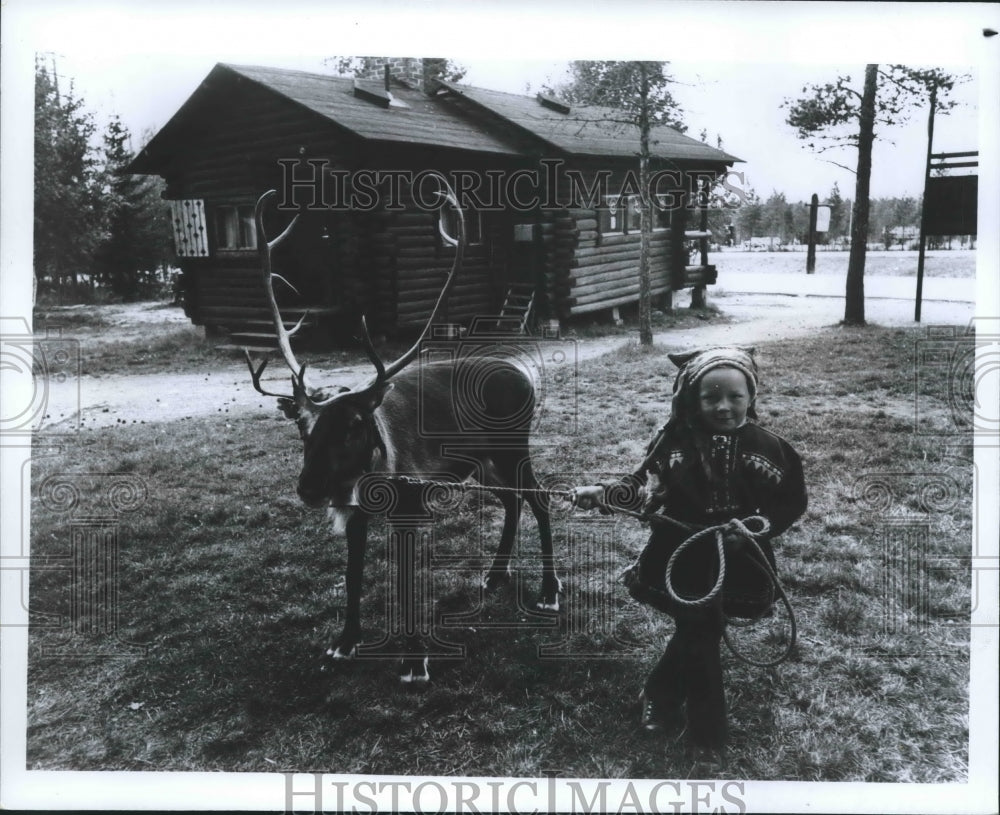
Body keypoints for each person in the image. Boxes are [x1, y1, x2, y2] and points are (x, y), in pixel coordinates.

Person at [572, 346, 807, 764]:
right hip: (681, 556)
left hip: (738, 556)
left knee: (700, 632)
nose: (723, 407)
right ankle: (708, 736)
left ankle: (660, 691)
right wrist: (603, 493)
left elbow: (792, 501)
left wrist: (759, 525)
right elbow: (641, 486)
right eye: (711, 397)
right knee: (701, 633)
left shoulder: (771, 448)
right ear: (691, 400)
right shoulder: (673, 443)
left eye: (735, 396)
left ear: (751, 397)